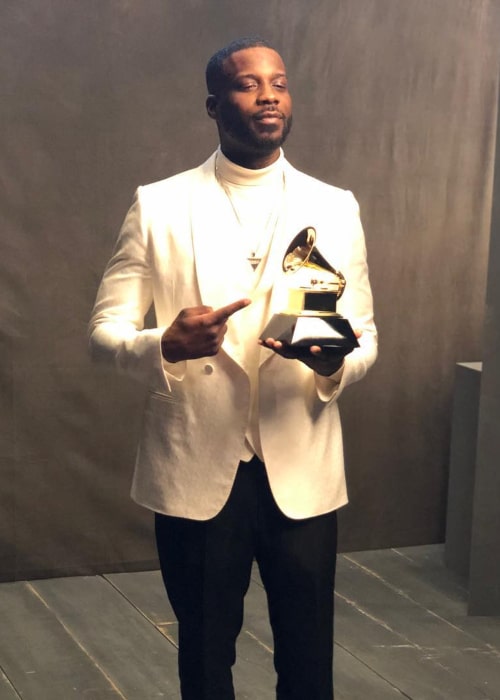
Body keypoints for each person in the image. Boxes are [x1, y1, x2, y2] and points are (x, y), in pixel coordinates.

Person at [89, 36, 377, 700]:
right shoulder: (159, 205)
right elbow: (103, 335)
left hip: (301, 467)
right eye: (249, 85)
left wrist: (336, 362)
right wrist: (163, 344)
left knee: (308, 657)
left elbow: (363, 335)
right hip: (195, 466)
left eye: (278, 81)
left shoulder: (334, 207)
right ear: (215, 104)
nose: (268, 93)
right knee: (205, 652)